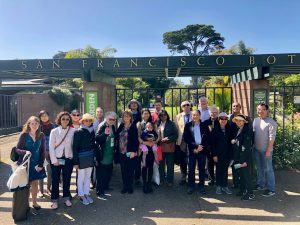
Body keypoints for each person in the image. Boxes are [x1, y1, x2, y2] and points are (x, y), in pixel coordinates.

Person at [16, 116, 46, 210]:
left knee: (35, 184)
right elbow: (17, 149)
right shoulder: (24, 135)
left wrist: (41, 164)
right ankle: (26, 203)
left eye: (36, 123)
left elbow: (43, 151)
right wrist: (25, 152)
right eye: (32, 123)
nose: (34, 125)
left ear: (38, 125)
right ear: (28, 124)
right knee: (26, 184)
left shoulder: (41, 135)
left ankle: (34, 202)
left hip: (36, 164)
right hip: (25, 164)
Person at [49, 112, 75, 209]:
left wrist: (72, 155)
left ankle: (66, 198)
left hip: (68, 158)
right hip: (56, 159)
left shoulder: (73, 131)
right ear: (59, 119)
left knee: (67, 179)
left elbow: (73, 145)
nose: (65, 121)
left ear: (69, 121)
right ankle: (54, 200)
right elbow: (51, 146)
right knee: (55, 179)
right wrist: (54, 159)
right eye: (63, 119)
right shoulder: (54, 131)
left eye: (67, 119)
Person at [253, 103, 277, 197]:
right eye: (259, 109)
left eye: (263, 109)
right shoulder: (256, 120)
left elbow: (272, 138)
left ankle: (271, 189)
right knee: (259, 169)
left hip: (266, 150)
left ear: (267, 111)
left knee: (268, 169)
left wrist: (268, 150)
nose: (261, 111)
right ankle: (261, 185)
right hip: (257, 149)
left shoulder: (271, 122)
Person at [183, 110, 209, 194]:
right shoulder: (188, 126)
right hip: (192, 151)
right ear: (191, 116)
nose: (195, 117)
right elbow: (186, 138)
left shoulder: (204, 125)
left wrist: (202, 146)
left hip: (202, 150)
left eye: (197, 115)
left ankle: (201, 186)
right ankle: (191, 186)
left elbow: (207, 137)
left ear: (200, 116)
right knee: (191, 169)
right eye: (193, 115)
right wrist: (195, 147)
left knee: (202, 169)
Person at [73, 113, 96, 205]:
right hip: (81, 157)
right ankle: (81, 195)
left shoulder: (92, 130)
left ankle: (86, 193)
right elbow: (75, 147)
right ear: (82, 121)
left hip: (90, 156)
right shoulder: (78, 131)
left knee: (88, 177)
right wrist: (76, 162)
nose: (88, 122)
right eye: (86, 120)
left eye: (90, 120)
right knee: (81, 177)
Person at [231, 114, 255, 201]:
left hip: (245, 158)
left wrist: (244, 161)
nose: (238, 122)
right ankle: (242, 190)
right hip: (239, 157)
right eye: (237, 120)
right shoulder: (239, 130)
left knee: (246, 176)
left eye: (240, 120)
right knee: (241, 174)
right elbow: (238, 142)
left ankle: (250, 193)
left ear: (244, 122)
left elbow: (247, 147)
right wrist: (234, 141)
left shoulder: (248, 131)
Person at [95, 111, 117, 200]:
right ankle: (100, 191)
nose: (112, 121)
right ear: (106, 118)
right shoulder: (102, 126)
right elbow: (97, 138)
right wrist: (105, 134)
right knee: (101, 174)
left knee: (108, 171)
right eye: (110, 119)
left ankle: (106, 186)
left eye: (114, 119)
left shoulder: (113, 126)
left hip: (110, 153)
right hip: (103, 154)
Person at [116, 110, 139, 194]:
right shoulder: (121, 126)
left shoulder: (133, 127)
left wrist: (134, 151)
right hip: (121, 152)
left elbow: (136, 140)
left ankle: (130, 187)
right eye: (124, 116)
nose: (126, 118)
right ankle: (125, 186)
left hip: (130, 152)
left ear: (130, 117)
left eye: (127, 116)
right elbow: (116, 135)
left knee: (130, 170)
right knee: (123, 170)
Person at [211, 112, 233, 195]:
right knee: (219, 170)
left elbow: (231, 142)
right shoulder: (215, 129)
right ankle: (218, 186)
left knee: (225, 170)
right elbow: (212, 144)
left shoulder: (229, 129)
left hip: (227, 154)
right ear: (218, 119)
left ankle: (225, 186)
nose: (224, 120)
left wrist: (231, 154)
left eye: (225, 119)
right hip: (218, 154)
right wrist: (214, 155)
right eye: (222, 118)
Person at [137, 108, 158, 193]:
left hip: (152, 147)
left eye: (147, 113)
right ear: (142, 115)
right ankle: (144, 184)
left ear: (149, 115)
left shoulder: (153, 124)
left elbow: (157, 136)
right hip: (144, 149)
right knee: (144, 167)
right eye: (144, 113)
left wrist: (154, 142)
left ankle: (149, 183)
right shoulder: (139, 124)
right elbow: (138, 136)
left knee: (151, 167)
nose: (146, 115)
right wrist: (145, 143)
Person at [157, 110, 178, 186]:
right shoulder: (158, 124)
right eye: (161, 115)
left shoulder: (171, 124)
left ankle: (170, 181)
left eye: (164, 115)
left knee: (170, 165)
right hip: (160, 147)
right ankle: (161, 180)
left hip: (169, 147)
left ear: (167, 115)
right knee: (161, 165)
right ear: (159, 117)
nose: (163, 117)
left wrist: (168, 138)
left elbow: (176, 135)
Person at [174, 100, 192, 185]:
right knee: (182, 161)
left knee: (191, 160)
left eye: (188, 105)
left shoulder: (194, 114)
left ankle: (191, 178)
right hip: (182, 142)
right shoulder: (178, 116)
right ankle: (183, 177)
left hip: (192, 141)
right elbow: (176, 129)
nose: (186, 106)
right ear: (182, 107)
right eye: (184, 105)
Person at [38, 110, 55, 197]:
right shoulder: (38, 126)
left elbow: (54, 140)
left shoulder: (52, 126)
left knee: (49, 171)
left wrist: (49, 151)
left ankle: (48, 188)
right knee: (40, 170)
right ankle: (40, 190)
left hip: (50, 153)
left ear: (48, 116)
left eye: (46, 115)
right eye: (42, 116)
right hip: (40, 154)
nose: (44, 117)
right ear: (40, 117)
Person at [127, 99, 142, 185]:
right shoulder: (127, 114)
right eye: (132, 103)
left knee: (138, 159)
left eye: (135, 103)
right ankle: (129, 176)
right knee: (129, 157)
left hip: (138, 140)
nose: (133, 105)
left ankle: (137, 178)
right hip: (129, 141)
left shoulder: (140, 114)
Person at [204, 105, 219, 186]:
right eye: (212, 112)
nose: (213, 114)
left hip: (218, 147)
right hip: (208, 147)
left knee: (218, 163)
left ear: (218, 113)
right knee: (209, 164)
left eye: (215, 112)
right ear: (209, 113)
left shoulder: (221, 122)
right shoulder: (205, 123)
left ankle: (218, 178)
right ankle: (211, 179)